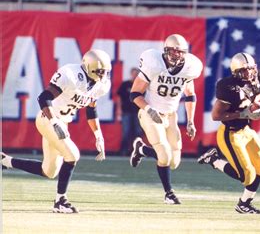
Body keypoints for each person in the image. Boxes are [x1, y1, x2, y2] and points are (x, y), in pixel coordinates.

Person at [1, 50, 112, 213]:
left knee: (49, 171)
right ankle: (61, 201)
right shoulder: (71, 75)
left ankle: (5, 161)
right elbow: (44, 98)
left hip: (62, 122)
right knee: (73, 155)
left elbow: (91, 109)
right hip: (48, 119)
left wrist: (98, 135)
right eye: (100, 72)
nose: (103, 76)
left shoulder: (100, 85)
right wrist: (54, 122)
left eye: (106, 72)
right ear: (89, 67)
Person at [129, 34, 203, 204]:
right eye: (172, 51)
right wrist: (148, 108)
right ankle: (169, 193)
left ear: (185, 53)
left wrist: (190, 121)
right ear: (165, 51)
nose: (176, 55)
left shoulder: (190, 68)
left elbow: (190, 94)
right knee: (164, 156)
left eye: (180, 52)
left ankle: (142, 149)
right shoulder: (153, 63)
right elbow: (134, 94)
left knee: (174, 162)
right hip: (150, 114)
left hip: (171, 116)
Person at [197, 53, 260, 214]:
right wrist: (243, 114)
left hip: (246, 131)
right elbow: (216, 115)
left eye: (251, 69)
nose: (249, 74)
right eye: (244, 71)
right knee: (247, 175)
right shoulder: (229, 87)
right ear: (235, 73)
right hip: (230, 134)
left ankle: (244, 203)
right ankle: (214, 160)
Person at [116, 67, 142, 155]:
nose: (135, 76)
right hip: (126, 111)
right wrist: (119, 109)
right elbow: (119, 97)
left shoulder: (142, 84)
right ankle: (124, 150)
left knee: (138, 131)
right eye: (134, 74)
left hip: (138, 112)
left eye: (136, 74)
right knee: (126, 131)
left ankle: (136, 151)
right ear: (131, 74)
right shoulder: (125, 84)